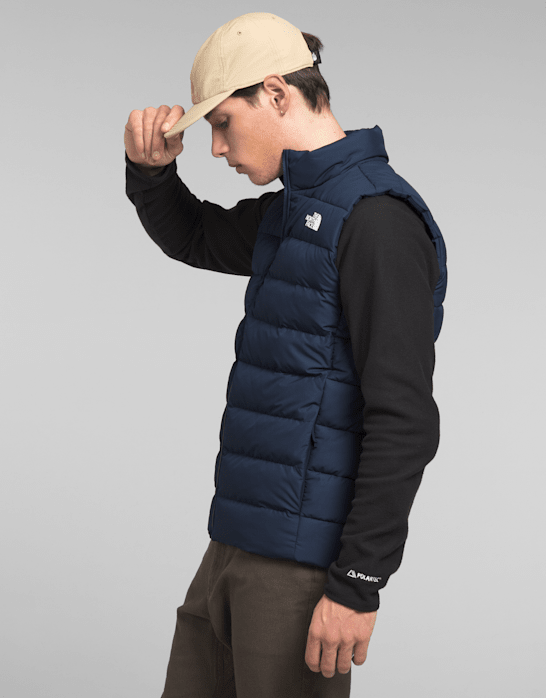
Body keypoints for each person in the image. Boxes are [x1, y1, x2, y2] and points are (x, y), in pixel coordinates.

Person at [124, 12, 447, 698]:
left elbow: (405, 420)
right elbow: (195, 237)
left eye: (223, 124)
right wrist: (151, 175)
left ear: (276, 92)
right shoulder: (293, 211)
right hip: (232, 549)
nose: (217, 149)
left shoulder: (377, 221)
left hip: (301, 573)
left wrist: (356, 583)